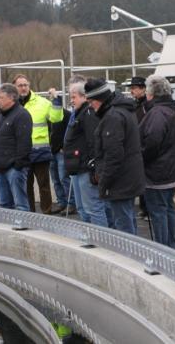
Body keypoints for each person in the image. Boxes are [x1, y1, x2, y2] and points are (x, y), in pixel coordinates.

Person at [86, 78, 145, 234]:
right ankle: (133, 248)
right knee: (128, 220)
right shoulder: (123, 110)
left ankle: (129, 250)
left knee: (123, 226)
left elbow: (113, 155)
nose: (90, 106)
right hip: (128, 178)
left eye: (91, 102)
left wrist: (103, 182)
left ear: (99, 99)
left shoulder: (113, 117)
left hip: (120, 181)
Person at [139, 75, 175, 249]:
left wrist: (140, 158)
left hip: (158, 174)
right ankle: (172, 246)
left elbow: (152, 143)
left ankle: (163, 251)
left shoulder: (157, 113)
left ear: (151, 93)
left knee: (159, 212)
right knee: (168, 210)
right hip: (170, 171)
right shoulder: (170, 109)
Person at [13, 74, 64, 214]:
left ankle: (46, 213)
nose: (23, 88)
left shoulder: (42, 102)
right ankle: (29, 214)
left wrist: (56, 100)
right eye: (20, 85)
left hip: (40, 153)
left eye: (25, 85)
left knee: (44, 186)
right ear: (15, 87)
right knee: (26, 186)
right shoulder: (12, 105)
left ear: (29, 85)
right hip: (22, 153)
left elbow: (56, 118)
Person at [64, 78, 111, 227]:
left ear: (84, 97)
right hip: (77, 168)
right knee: (83, 208)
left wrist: (93, 166)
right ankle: (90, 235)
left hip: (86, 169)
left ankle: (101, 238)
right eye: (70, 97)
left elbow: (94, 141)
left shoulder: (88, 113)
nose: (71, 101)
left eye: (74, 97)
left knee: (93, 208)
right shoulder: (79, 113)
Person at [0, 83, 33, 210]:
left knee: (20, 204)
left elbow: (24, 143)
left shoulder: (21, 115)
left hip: (14, 169)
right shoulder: (2, 115)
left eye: (1, 97)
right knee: (4, 205)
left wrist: (17, 166)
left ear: (11, 98)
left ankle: (23, 222)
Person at [127, 76, 150, 220]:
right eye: (131, 88)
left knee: (147, 179)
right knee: (141, 178)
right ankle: (143, 207)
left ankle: (148, 209)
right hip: (137, 145)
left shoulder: (147, 105)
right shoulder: (135, 105)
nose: (132, 91)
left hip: (145, 145)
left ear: (143, 89)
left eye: (134, 88)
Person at [49, 104, 75, 214]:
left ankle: (71, 204)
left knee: (64, 178)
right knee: (55, 180)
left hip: (61, 153)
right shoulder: (49, 115)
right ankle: (61, 203)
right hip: (51, 151)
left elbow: (71, 132)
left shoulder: (67, 114)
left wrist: (65, 147)